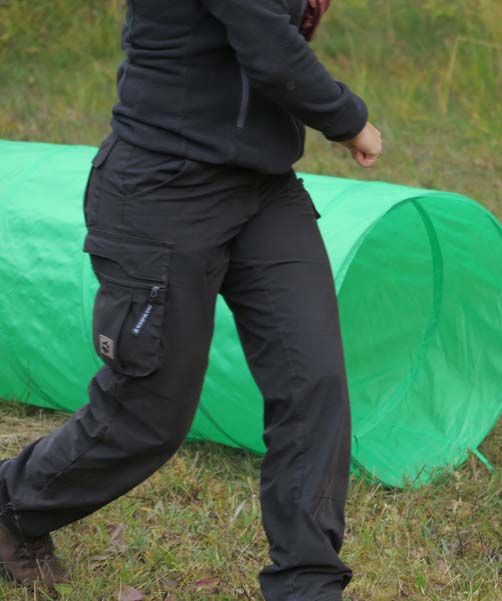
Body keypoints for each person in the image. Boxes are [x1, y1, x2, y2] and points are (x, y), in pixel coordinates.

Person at [0, 0, 381, 598]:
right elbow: (266, 44)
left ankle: (307, 585)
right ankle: (10, 506)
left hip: (264, 188)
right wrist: (349, 118)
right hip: (163, 185)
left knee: (314, 380)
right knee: (150, 415)